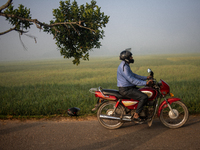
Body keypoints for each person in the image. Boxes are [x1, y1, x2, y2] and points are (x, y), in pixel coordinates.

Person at [117, 50, 153, 123]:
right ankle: (136, 115)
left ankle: (140, 112)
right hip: (126, 89)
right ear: (126, 58)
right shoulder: (124, 67)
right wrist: (145, 83)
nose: (132, 57)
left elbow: (133, 75)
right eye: (130, 56)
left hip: (129, 87)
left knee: (144, 92)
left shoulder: (125, 65)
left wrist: (146, 78)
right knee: (144, 97)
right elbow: (132, 80)